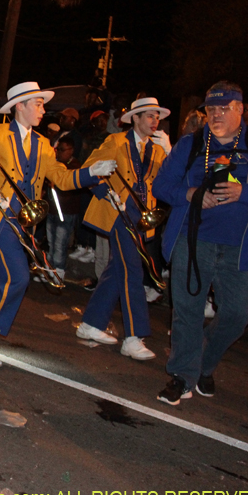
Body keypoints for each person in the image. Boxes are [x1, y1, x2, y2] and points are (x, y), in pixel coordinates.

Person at [0, 82, 116, 367]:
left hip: (24, 222)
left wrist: (91, 172)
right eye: (38, 104)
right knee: (18, 277)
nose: (43, 110)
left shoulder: (43, 144)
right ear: (20, 106)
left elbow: (62, 178)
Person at [154, 81, 248, 405]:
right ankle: (181, 375)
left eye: (224, 108)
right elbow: (162, 185)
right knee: (187, 310)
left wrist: (244, 193)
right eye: (211, 109)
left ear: (240, 110)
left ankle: (203, 360)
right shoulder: (191, 145)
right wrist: (190, 194)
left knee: (239, 312)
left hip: (241, 248)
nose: (216, 115)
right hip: (193, 242)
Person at [75, 97, 172, 360]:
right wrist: (108, 194)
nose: (155, 121)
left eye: (157, 117)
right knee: (132, 268)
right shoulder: (116, 142)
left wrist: (171, 151)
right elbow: (90, 171)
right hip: (118, 213)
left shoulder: (159, 149)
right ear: (136, 118)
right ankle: (133, 336)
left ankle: (90, 324)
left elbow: (171, 182)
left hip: (142, 217)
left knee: (118, 268)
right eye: (150, 116)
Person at [42, 136, 82, 283]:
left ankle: (58, 272)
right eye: (57, 149)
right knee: (51, 241)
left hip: (66, 211)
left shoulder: (75, 166)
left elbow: (68, 186)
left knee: (60, 243)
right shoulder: (56, 164)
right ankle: (50, 270)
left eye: (62, 150)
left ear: (71, 150)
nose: (58, 152)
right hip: (52, 210)